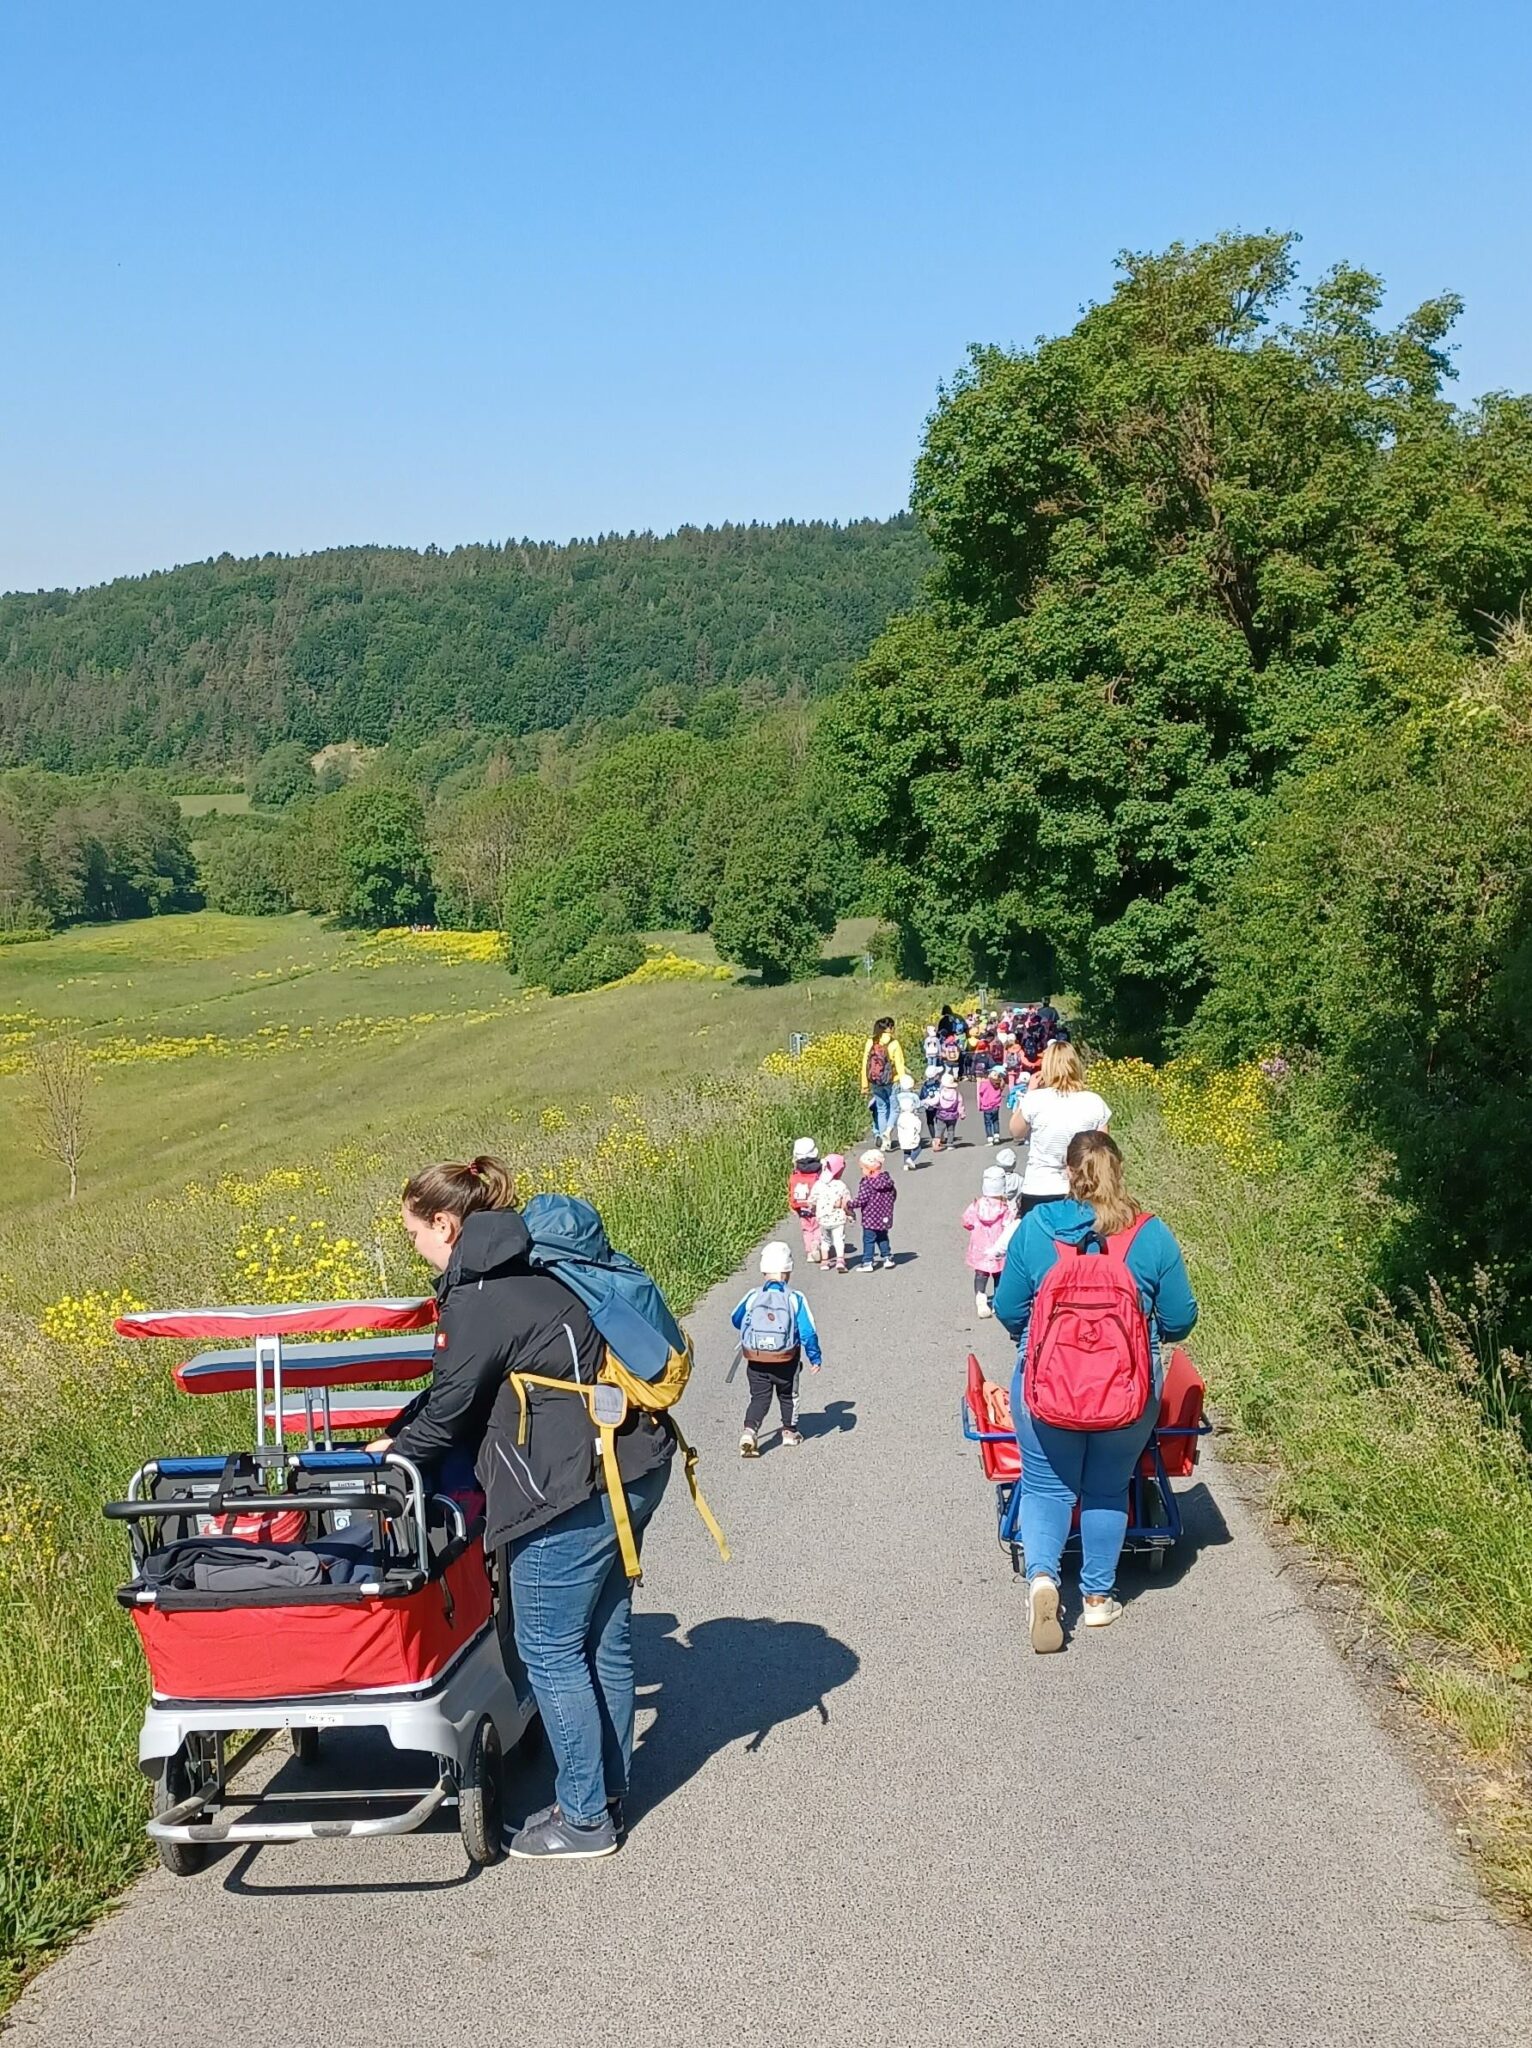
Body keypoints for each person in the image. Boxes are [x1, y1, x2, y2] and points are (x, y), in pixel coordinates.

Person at [378, 1156, 673, 1860]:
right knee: (601, 1637)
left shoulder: (480, 1296)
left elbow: (451, 1409)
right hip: (631, 1461)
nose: (415, 1246)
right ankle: (603, 1793)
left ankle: (584, 1820)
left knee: (547, 1646)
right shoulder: (537, 1265)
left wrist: (391, 1458)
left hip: (569, 1484)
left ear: (446, 1224)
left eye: (415, 1233)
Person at [993, 1131, 1198, 1652]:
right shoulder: (1151, 1235)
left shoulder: (1036, 1229)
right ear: (1119, 1172)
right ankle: (1098, 1598)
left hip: (1046, 1386)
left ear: (1067, 1173)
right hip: (1127, 1389)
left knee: (1045, 1486)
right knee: (1108, 1485)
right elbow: (1180, 1319)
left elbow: (1009, 1310)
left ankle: (1042, 1579)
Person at [732, 1242, 822, 1455]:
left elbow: (735, 1318)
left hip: (756, 1359)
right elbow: (808, 1332)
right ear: (788, 1271)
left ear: (763, 1270)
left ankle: (749, 1431)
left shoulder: (753, 1295)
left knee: (759, 1397)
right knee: (788, 1395)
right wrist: (815, 1357)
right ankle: (789, 1433)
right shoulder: (794, 1297)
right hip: (786, 1360)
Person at [1008, 1040, 1111, 1218]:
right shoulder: (1094, 1102)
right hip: (1082, 1187)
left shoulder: (1036, 1100)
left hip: (1039, 1187)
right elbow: (1103, 1150)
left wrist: (1029, 1092)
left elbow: (1015, 1132)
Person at [961, 1164, 1013, 1317]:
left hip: (980, 1247)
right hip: (998, 1247)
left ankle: (981, 1299)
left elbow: (966, 1221)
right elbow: (1009, 1227)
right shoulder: (1005, 1208)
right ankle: (998, 1302)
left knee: (981, 1274)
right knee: (999, 1275)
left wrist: (974, 1229)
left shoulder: (976, 1205)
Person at [849, 1148, 898, 1269]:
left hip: (870, 1217)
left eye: (863, 1168)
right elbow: (894, 1195)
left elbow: (862, 1199)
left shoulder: (867, 1183)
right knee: (882, 1237)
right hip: (884, 1216)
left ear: (870, 1169)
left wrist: (849, 1204)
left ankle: (867, 1261)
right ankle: (887, 1258)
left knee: (868, 1239)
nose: (862, 1171)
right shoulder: (887, 1181)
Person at [861, 1016, 907, 1143]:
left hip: (875, 1081)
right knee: (895, 1108)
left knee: (881, 1109)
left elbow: (865, 1063)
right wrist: (904, 1083)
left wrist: (864, 1084)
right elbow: (899, 1064)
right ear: (889, 1028)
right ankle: (888, 1131)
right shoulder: (894, 1043)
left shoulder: (871, 1042)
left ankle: (883, 1140)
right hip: (892, 1080)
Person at [813, 1152, 853, 1272]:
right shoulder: (841, 1185)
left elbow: (812, 1200)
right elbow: (846, 1202)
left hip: (823, 1218)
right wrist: (850, 1214)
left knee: (825, 1239)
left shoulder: (818, 1185)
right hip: (837, 1218)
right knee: (839, 1239)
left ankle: (824, 1262)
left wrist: (814, 1208)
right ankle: (840, 1260)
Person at [788, 1137, 824, 1264]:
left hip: (801, 1205)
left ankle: (809, 1252)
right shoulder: (819, 1168)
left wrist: (792, 1205)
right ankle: (816, 1243)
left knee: (807, 1229)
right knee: (818, 1226)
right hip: (816, 1204)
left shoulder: (796, 1170)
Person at [894, 1076, 925, 1170]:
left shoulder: (898, 1096)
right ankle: (910, 1159)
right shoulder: (914, 1096)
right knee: (917, 1147)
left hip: (902, 1118)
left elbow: (896, 1106)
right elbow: (918, 1105)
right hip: (911, 1119)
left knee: (905, 1147)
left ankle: (906, 1164)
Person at [932, 1070, 965, 1151]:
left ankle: (936, 1142)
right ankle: (950, 1144)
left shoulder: (941, 1092)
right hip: (952, 1116)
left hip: (941, 1114)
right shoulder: (957, 1094)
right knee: (951, 1130)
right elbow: (960, 1104)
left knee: (939, 1129)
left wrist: (929, 1103)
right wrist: (962, 1113)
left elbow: (935, 1101)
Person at [977, 1064, 1006, 1144]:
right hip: (996, 1105)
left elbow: (981, 1091)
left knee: (988, 1123)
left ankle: (990, 1138)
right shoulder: (1000, 1083)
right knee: (995, 1121)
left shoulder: (985, 1083)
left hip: (987, 1106)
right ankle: (997, 1136)